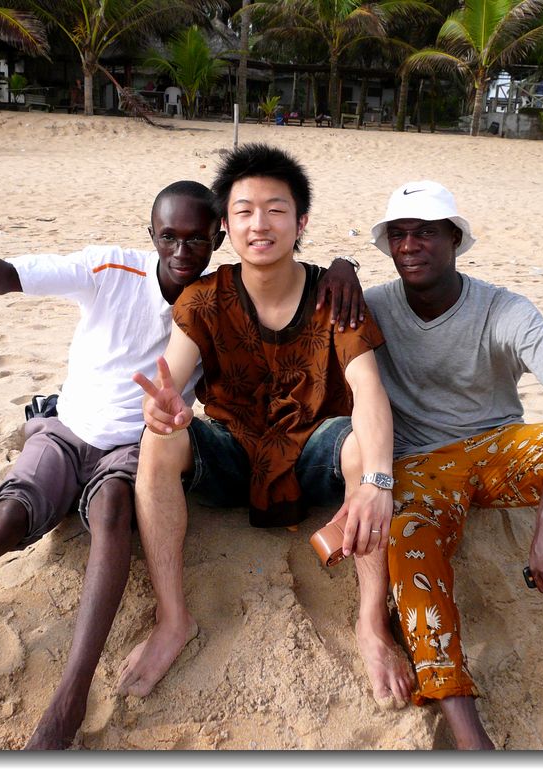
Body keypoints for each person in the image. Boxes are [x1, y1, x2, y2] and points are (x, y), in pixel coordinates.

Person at [0, 181, 363, 751]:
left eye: (197, 239)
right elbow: (11, 276)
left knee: (110, 513)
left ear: (216, 238)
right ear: (150, 234)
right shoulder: (109, 270)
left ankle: (69, 700)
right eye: (169, 237)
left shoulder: (216, 298)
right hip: (68, 429)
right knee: (1, 521)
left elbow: (288, 281)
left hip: (135, 447)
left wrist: (344, 265)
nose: (181, 251)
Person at [118, 143, 414, 709]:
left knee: (361, 448)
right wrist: (162, 412)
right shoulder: (204, 299)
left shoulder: (334, 297)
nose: (260, 224)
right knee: (159, 439)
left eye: (276, 210)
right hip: (232, 452)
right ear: (225, 226)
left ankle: (371, 624)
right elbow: (169, 381)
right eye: (244, 211)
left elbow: (369, 391)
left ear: (301, 223)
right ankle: (172, 618)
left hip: (314, 456)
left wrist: (379, 480)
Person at [363, 181, 543, 749]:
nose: (410, 245)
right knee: (407, 543)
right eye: (398, 235)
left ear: (455, 239)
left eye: (426, 233)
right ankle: (465, 726)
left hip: (499, 449)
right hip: (418, 467)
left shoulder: (503, 309)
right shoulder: (372, 306)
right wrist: (338, 268)